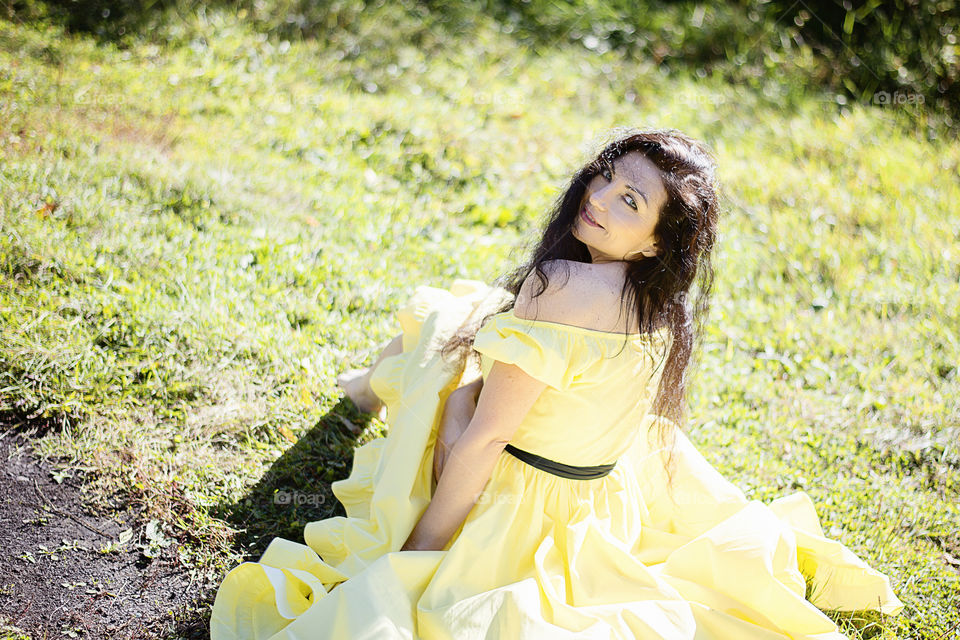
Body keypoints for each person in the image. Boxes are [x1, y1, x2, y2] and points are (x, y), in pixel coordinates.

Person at [210, 127, 903, 639]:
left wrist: (418, 553)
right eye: (605, 178)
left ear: (656, 240)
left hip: (513, 508)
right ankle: (367, 385)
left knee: (444, 318)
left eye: (628, 200)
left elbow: (483, 443)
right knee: (471, 315)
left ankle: (366, 388)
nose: (597, 198)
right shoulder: (661, 302)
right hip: (596, 507)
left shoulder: (561, 283)